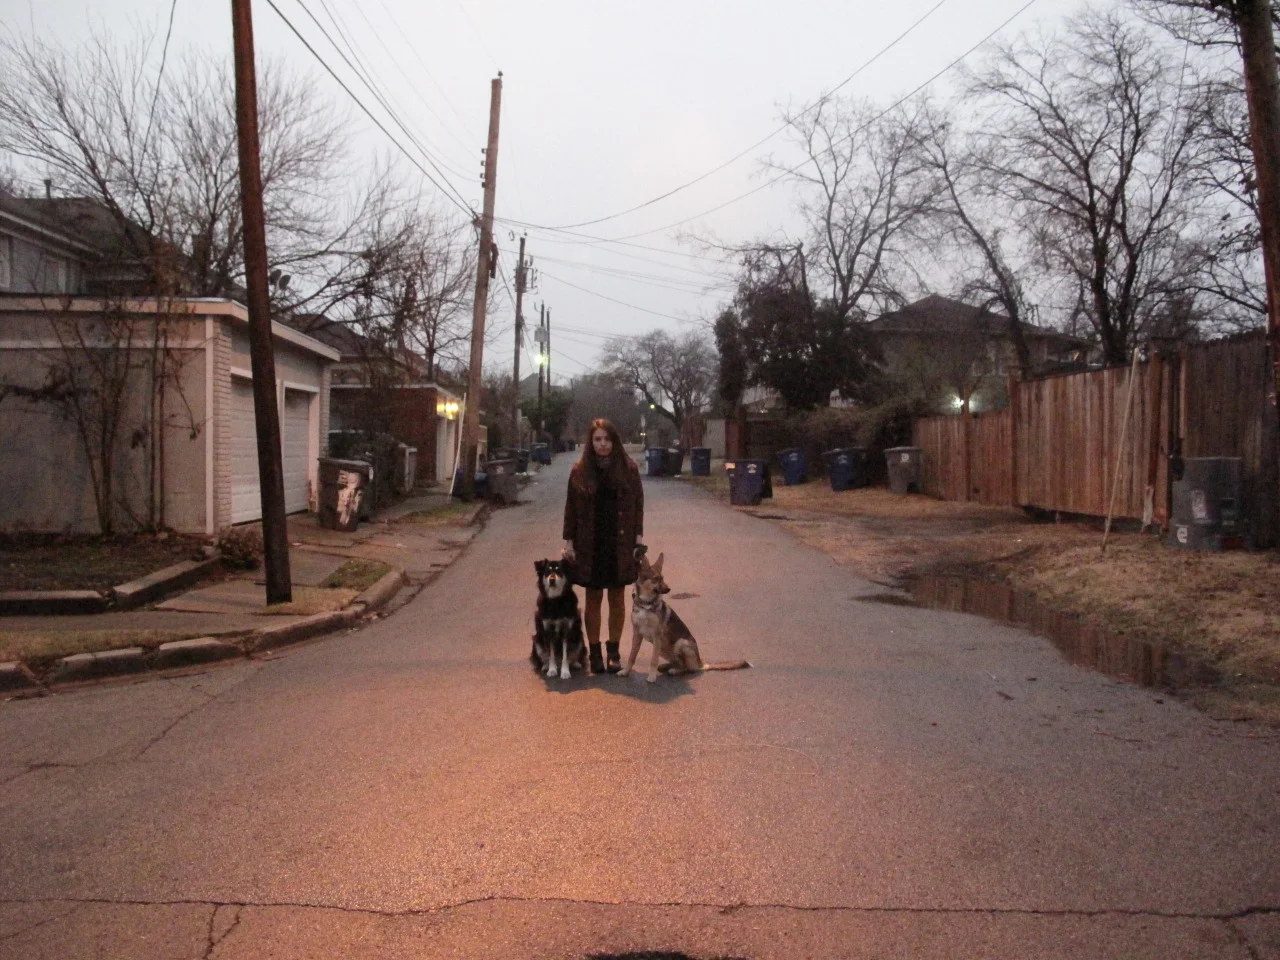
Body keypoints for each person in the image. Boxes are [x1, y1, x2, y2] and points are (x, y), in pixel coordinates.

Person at [562, 418, 644, 675]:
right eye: (597, 439)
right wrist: (569, 542)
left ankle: (614, 653)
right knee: (594, 598)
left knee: (617, 598)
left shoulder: (628, 469)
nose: (602, 444)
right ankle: (595, 653)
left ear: (614, 441)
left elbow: (638, 504)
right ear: (591, 442)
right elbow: (571, 509)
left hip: (619, 542)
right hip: (590, 544)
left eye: (607, 439)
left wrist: (638, 538)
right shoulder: (579, 470)